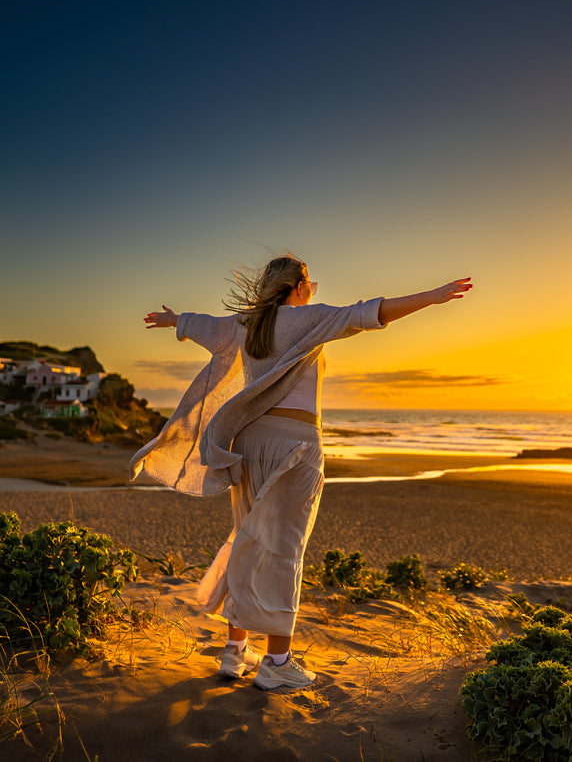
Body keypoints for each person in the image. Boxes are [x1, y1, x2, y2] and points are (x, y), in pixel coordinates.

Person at [131, 255, 472, 690]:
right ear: (298, 286)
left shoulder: (247, 324)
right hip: (295, 443)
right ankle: (277, 662)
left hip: (249, 444)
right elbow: (371, 312)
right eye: (309, 282)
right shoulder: (308, 319)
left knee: (248, 537)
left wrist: (174, 319)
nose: (313, 288)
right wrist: (433, 296)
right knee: (283, 549)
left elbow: (201, 324)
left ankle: (235, 652)